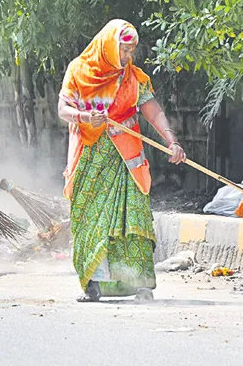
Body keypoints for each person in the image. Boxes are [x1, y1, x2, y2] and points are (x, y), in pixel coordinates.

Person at [57, 19, 186, 303]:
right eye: (124, 50)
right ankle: (94, 284)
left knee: (133, 217)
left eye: (131, 51)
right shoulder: (79, 71)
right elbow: (63, 108)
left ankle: (140, 284)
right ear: (108, 46)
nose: (128, 57)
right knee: (92, 221)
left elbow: (153, 111)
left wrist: (171, 141)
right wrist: (84, 117)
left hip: (126, 161)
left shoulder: (133, 78)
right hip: (89, 159)